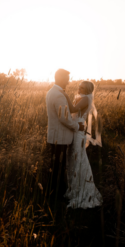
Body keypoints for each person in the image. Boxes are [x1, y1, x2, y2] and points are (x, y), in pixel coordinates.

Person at [59, 81, 103, 209]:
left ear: (88, 89)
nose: (79, 89)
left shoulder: (86, 98)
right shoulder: (82, 98)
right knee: (74, 159)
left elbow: (73, 109)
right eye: (79, 86)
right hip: (76, 129)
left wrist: (65, 95)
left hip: (78, 133)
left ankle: (83, 192)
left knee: (78, 159)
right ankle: (74, 190)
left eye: (82, 87)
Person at [45, 69, 85, 198]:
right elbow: (64, 117)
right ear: (61, 78)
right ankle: (56, 195)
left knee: (56, 167)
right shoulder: (58, 95)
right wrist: (77, 126)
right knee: (58, 168)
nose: (69, 81)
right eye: (67, 78)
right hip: (60, 138)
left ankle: (54, 192)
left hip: (55, 136)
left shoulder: (52, 92)